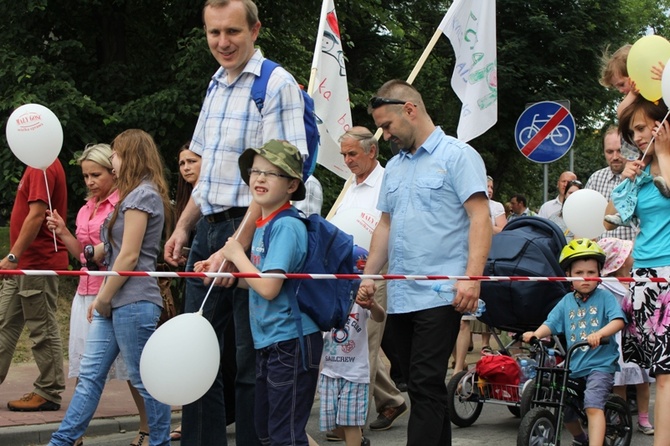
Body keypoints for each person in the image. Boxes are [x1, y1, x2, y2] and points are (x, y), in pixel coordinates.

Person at [162, 1, 308, 445]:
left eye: (232, 32)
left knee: (249, 361)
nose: (222, 42)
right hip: (209, 225)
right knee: (197, 354)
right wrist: (185, 225)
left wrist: (235, 248)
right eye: (213, 33)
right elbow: (207, 171)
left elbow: (279, 177)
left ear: (255, 30)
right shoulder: (215, 83)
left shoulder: (277, 84)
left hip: (252, 234)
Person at [359, 80, 492, 445]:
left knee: (423, 381)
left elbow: (481, 218)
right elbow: (385, 225)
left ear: (410, 110)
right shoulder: (395, 168)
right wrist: (369, 277)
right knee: (422, 387)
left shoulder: (457, 156)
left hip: (441, 293)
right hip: (399, 295)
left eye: (387, 126)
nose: (384, 135)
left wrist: (472, 278)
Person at [46, 129, 173, 446]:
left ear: (128, 155)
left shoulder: (142, 195)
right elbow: (114, 248)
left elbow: (129, 255)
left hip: (133, 300)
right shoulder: (134, 195)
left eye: (115, 153)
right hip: (120, 300)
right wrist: (89, 252)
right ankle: (62, 441)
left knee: (144, 381)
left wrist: (101, 298)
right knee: (90, 377)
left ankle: (160, 442)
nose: (112, 158)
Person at [196, 139, 319, 445]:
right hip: (271, 341)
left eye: (272, 173)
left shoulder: (287, 225)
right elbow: (263, 280)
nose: (260, 178)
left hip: (291, 342)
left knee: (284, 435)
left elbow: (268, 286)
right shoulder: (266, 223)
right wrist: (228, 278)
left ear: (292, 185)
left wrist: (237, 255)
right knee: (267, 432)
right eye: (255, 171)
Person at [330, 127, 406, 437]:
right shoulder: (350, 183)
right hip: (343, 273)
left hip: (376, 273)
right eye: (343, 154)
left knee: (363, 344)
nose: (347, 160)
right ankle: (390, 398)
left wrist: (373, 273)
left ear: (372, 152)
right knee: (345, 343)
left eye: (352, 154)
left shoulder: (388, 182)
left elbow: (393, 228)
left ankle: (351, 424)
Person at [607, 94, 670, 445]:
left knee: (666, 376)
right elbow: (608, 219)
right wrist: (628, 180)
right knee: (660, 373)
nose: (640, 136)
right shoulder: (640, 171)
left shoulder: (665, 159)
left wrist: (663, 155)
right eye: (634, 131)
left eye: (645, 127)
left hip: (669, 273)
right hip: (645, 278)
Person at [522, 238, 625, 446]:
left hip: (600, 365)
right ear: (569, 275)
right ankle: (580, 439)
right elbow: (551, 323)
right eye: (579, 273)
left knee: (593, 406)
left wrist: (600, 333)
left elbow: (618, 321)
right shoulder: (566, 301)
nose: (585, 278)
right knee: (566, 408)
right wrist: (536, 334)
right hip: (574, 365)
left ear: (599, 274)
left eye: (591, 273)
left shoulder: (605, 298)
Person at [0, 159, 68, 411]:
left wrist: (12, 256)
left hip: (37, 262)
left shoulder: (42, 165)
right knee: (4, 323)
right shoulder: (36, 164)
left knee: (42, 328)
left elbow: (37, 214)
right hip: (25, 263)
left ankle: (49, 391)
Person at [596, 237, 654, 435]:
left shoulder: (637, 278)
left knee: (643, 380)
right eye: (628, 253)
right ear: (618, 260)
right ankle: (620, 416)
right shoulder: (606, 286)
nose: (632, 256)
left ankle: (644, 418)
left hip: (638, 337)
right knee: (619, 381)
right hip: (618, 339)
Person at [320, 286, 386, 446]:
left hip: (355, 373)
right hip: (329, 372)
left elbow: (380, 317)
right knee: (330, 425)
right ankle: (359, 441)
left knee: (351, 423)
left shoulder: (358, 294)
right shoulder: (323, 293)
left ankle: (355, 440)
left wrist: (372, 305)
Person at [585, 126, 638, 240]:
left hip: (632, 254)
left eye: (619, 151)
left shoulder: (640, 176)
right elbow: (586, 220)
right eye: (609, 152)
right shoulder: (595, 179)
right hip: (602, 253)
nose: (615, 157)